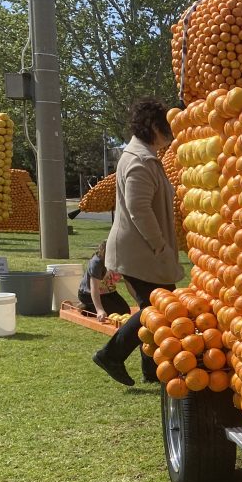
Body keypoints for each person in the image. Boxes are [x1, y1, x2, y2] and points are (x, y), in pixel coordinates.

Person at [92, 99, 183, 386]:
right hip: (140, 251)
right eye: (166, 130)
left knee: (154, 310)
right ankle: (111, 354)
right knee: (155, 309)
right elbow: (139, 208)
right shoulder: (140, 160)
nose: (170, 138)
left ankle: (151, 370)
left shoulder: (143, 155)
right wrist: (158, 244)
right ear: (154, 127)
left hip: (142, 251)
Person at [78, 240, 131, 321]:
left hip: (108, 292)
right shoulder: (97, 262)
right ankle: (86, 307)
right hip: (88, 294)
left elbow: (129, 284)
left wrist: (139, 302)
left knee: (125, 311)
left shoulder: (121, 261)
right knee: (109, 314)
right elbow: (94, 288)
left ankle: (93, 307)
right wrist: (99, 310)